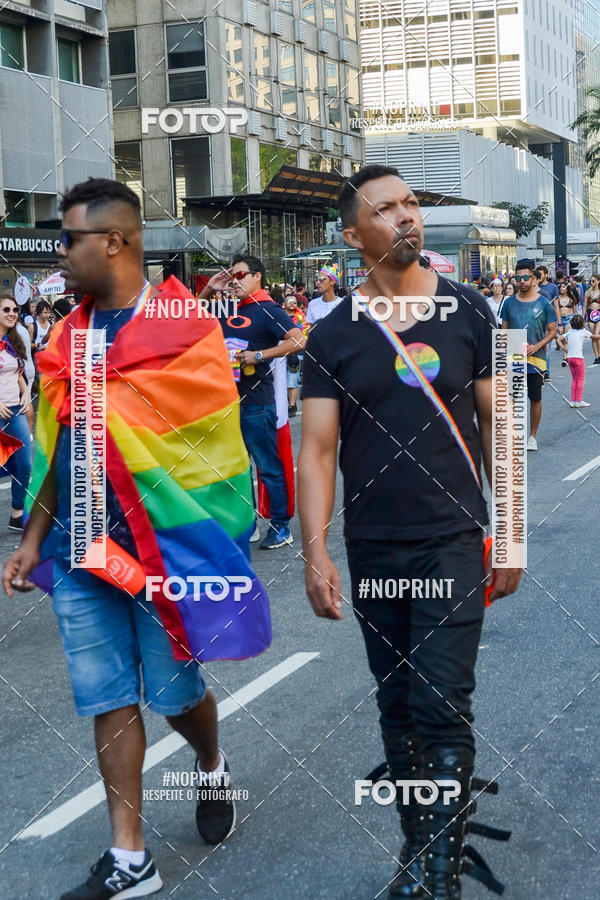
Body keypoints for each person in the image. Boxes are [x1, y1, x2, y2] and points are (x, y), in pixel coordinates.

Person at [2, 178, 272, 900]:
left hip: (164, 554)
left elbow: (214, 450)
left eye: (68, 240)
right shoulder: (67, 336)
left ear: (114, 242)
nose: (59, 254)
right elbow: (57, 443)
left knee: (176, 692)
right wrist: (32, 537)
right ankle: (130, 858)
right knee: (107, 695)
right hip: (82, 549)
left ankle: (210, 763)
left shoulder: (188, 330)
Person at [298, 164, 521, 900]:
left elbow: (503, 427)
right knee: (396, 707)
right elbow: (318, 450)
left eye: (412, 204)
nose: (406, 218)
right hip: (374, 547)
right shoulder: (331, 334)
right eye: (386, 210)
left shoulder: (470, 312)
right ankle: (423, 843)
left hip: (451, 538)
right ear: (353, 234)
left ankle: (437, 876)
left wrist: (511, 531)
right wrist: (315, 552)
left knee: (439, 702)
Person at [201, 254, 305, 549]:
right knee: (236, 469)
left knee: (268, 467)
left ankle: (282, 527)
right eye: (231, 276)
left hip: (257, 402)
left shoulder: (269, 310)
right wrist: (210, 287)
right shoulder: (227, 307)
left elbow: (299, 340)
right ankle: (248, 524)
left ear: (257, 276)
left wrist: (259, 355)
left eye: (240, 275)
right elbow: (189, 318)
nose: (234, 282)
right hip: (226, 403)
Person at [501, 260, 557, 451]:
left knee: (535, 396)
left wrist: (537, 346)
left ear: (533, 279)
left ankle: (532, 436)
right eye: (518, 278)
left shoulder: (544, 303)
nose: (522, 281)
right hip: (514, 356)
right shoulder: (508, 303)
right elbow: (503, 332)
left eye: (526, 277)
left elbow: (552, 331)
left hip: (536, 357)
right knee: (512, 397)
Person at [0, 291, 32, 529]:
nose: (12, 314)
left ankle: (17, 513)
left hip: (16, 410)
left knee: (24, 464)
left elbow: (18, 372)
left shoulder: (15, 339)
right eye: (6, 310)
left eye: (15, 310)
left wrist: (27, 394)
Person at [557, 314, 592, 407]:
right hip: (579, 358)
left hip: (570, 358)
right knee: (580, 379)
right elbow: (595, 337)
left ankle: (573, 401)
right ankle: (578, 401)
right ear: (582, 323)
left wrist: (564, 349)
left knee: (574, 380)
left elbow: (558, 340)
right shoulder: (584, 332)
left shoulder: (570, 332)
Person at [283, 294, 306, 416]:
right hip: (280, 351)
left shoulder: (301, 316)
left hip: (297, 352)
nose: (292, 303)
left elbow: (306, 333)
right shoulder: (279, 316)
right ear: (284, 304)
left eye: (294, 302)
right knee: (282, 379)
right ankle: (286, 401)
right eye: (289, 301)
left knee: (293, 378)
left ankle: (292, 405)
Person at [553, 281, 578, 367]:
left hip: (569, 319)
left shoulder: (571, 298)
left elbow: (575, 311)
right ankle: (568, 353)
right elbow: (556, 310)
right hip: (559, 320)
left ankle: (565, 359)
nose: (561, 288)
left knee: (567, 340)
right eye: (560, 287)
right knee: (559, 339)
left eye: (564, 286)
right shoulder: (557, 299)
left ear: (567, 289)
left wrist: (578, 321)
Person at [582, 274, 600, 364]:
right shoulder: (587, 292)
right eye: (591, 281)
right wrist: (582, 317)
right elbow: (585, 306)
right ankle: (596, 357)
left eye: (593, 281)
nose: (591, 283)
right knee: (593, 337)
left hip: (599, 314)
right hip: (590, 315)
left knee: (597, 334)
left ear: (598, 281)